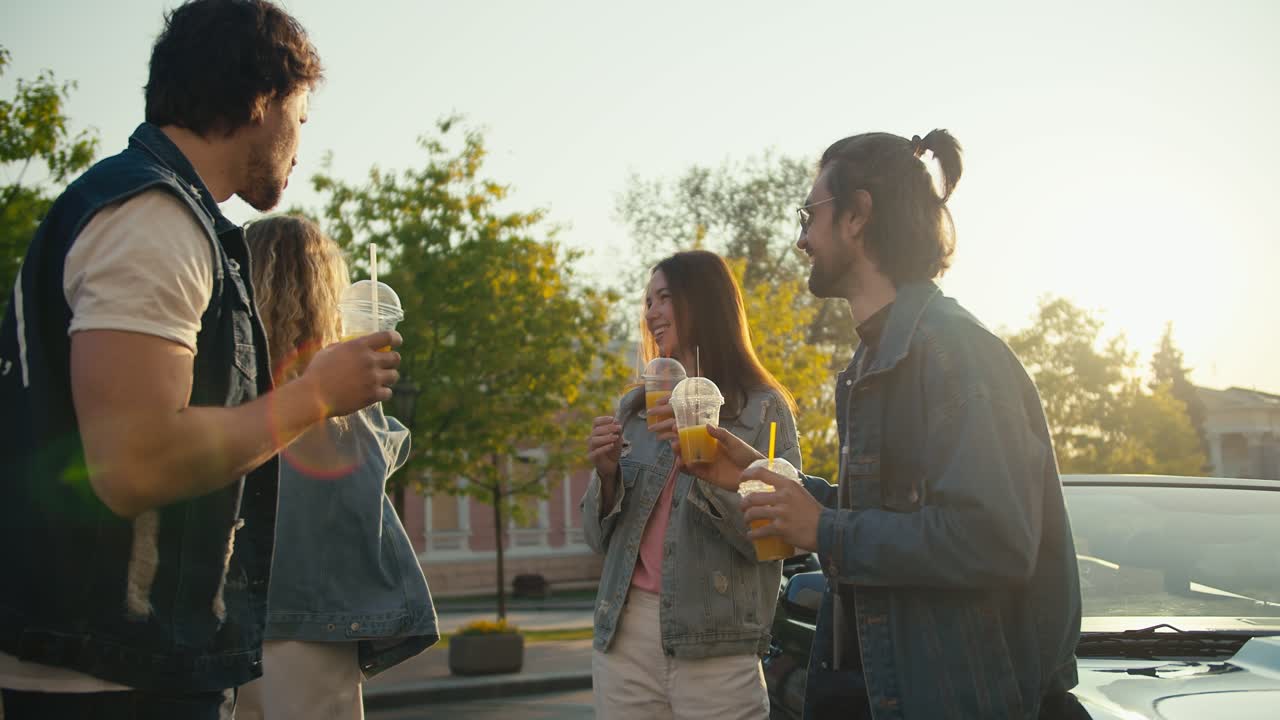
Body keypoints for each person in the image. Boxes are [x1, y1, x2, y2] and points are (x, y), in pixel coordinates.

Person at [0, 2, 401, 717]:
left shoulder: (157, 213)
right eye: (301, 116)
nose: (300, 144)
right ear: (262, 99)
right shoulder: (152, 219)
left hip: (122, 662)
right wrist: (315, 395)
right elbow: (136, 462)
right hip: (115, 674)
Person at [685, 131, 1085, 719]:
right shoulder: (876, 360)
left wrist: (825, 530)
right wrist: (766, 476)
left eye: (809, 215)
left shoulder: (955, 353)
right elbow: (889, 516)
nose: (801, 239)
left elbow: (993, 539)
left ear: (858, 215)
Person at [581, 250, 803, 720]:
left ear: (703, 302)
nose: (651, 312)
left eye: (664, 298)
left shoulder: (763, 409)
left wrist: (707, 471)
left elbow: (780, 540)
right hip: (626, 635)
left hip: (717, 640)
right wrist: (606, 477)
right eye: (648, 301)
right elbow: (598, 540)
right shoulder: (635, 410)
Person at [233, 215, 437, 720]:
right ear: (329, 294)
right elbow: (371, 470)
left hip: (226, 622)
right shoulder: (339, 395)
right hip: (314, 626)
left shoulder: (227, 387)